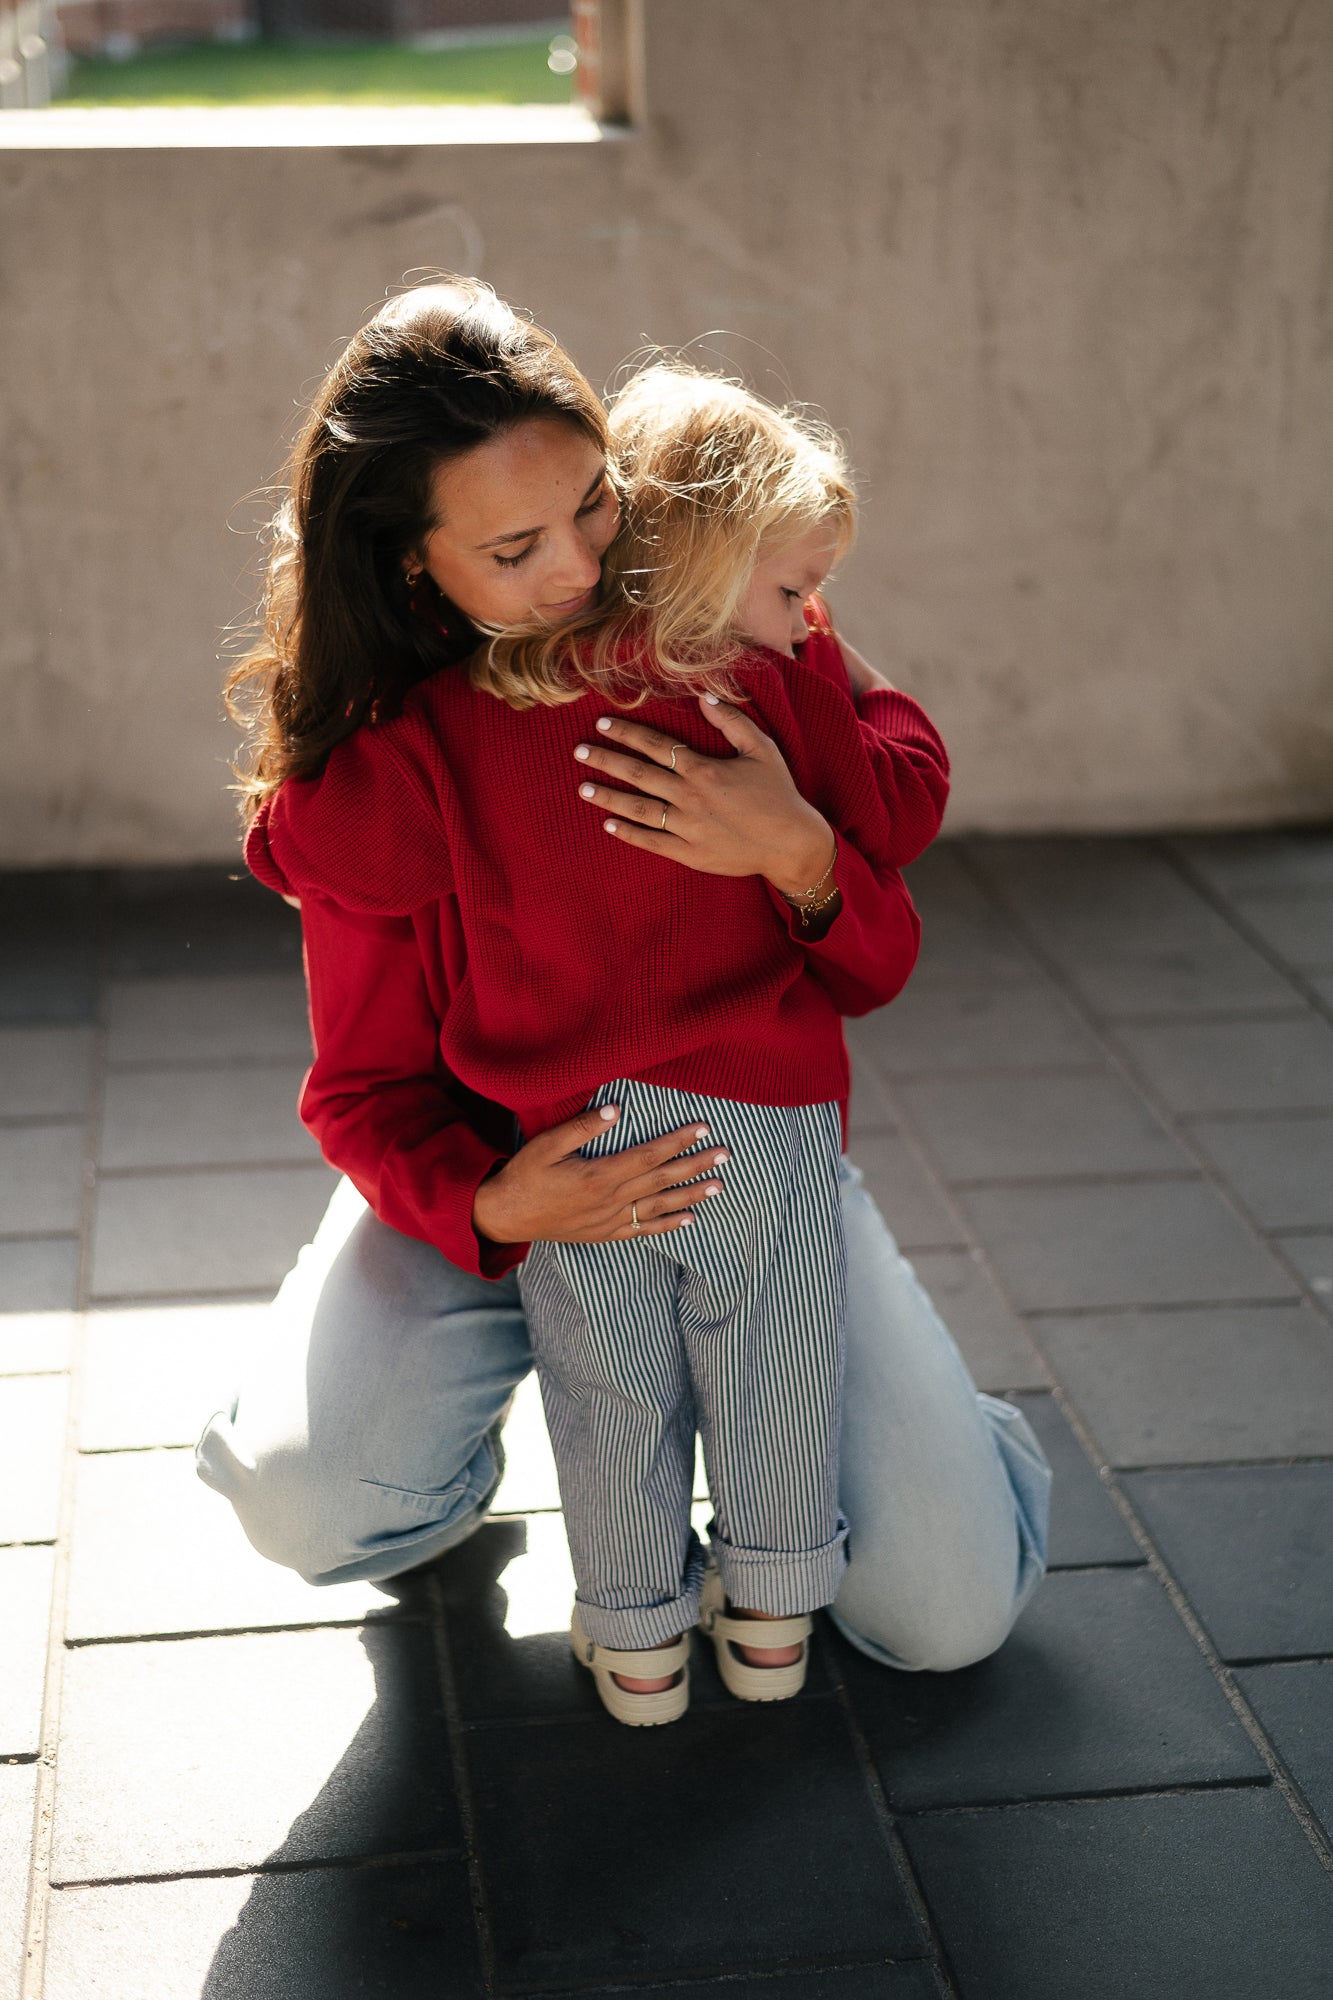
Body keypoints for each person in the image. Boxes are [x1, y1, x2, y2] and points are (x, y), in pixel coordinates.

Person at [197, 279, 1050, 1697]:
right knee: (311, 1497)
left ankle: (934, 1438)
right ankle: (467, 1433)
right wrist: (486, 1204)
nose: (582, 566)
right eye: (515, 547)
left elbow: (879, 945)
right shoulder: (409, 754)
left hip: (743, 1147)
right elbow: (358, 1081)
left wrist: (795, 849)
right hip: (505, 1154)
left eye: (594, 502)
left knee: (944, 1613)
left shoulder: (712, 636)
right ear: (414, 567)